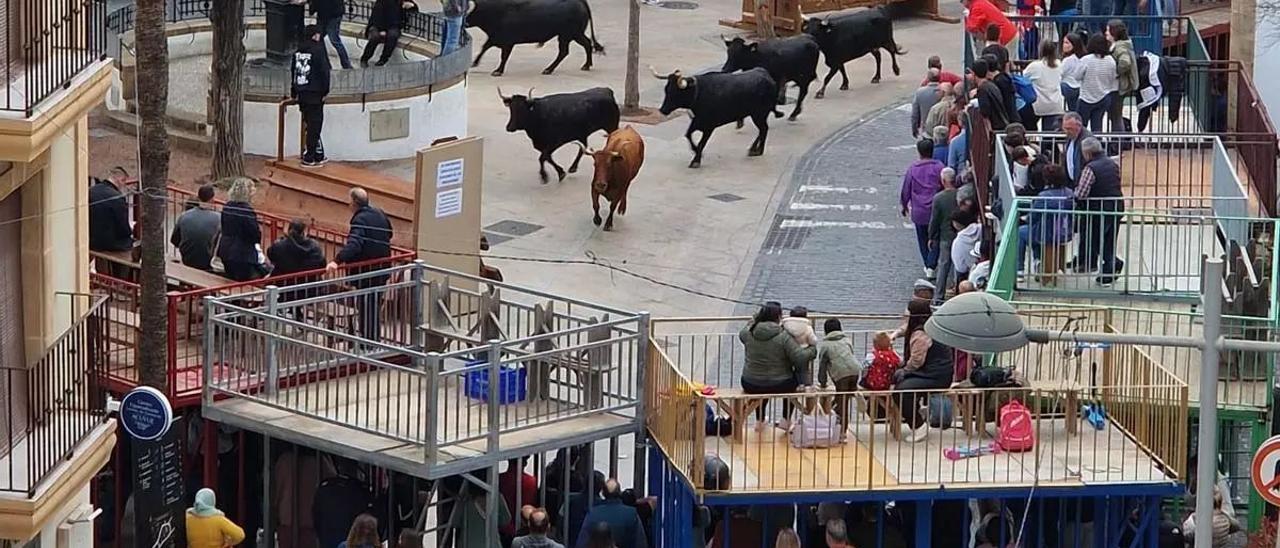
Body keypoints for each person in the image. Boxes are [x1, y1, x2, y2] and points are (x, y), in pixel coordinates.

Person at [328, 187, 394, 342]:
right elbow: (390, 233)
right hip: (382, 269)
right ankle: (372, 339)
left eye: (349, 201)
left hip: (366, 273)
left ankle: (368, 342)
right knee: (373, 306)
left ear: (354, 203)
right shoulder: (379, 213)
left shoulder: (360, 220)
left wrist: (336, 260)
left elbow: (354, 244)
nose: (348, 204)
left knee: (366, 308)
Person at [740, 302, 816, 433]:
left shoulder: (749, 333)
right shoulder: (783, 336)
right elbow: (800, 357)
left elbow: (742, 333)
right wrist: (812, 349)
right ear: (779, 317)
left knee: (761, 389)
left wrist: (756, 318)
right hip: (780, 383)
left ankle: (760, 420)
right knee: (793, 381)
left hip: (750, 382)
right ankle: (786, 419)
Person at [893, 299, 955, 443]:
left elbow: (916, 361)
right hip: (937, 372)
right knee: (902, 381)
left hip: (935, 375)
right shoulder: (930, 325)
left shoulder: (921, 335)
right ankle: (917, 415)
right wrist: (895, 334)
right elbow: (906, 328)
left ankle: (918, 425)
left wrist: (904, 369)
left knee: (902, 390)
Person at [1073, 136, 1125, 285]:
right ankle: (1113, 264)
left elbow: (1081, 193)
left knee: (1097, 241)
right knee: (1109, 240)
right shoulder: (1112, 164)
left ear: (1087, 153)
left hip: (1098, 209)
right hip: (1116, 206)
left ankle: (1110, 269)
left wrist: (1074, 195)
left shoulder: (1090, 168)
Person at [1016, 164, 1075, 285]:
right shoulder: (1070, 193)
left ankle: (1020, 270)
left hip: (1046, 234)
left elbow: (1033, 217)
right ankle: (1038, 260)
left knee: (1021, 232)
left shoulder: (1043, 196)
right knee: (1035, 232)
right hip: (1064, 232)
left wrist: (1027, 218)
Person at [900, 138, 945, 278]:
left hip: (919, 210)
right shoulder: (939, 167)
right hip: (935, 209)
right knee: (936, 236)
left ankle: (928, 264)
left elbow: (906, 188)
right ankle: (932, 262)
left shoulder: (913, 169)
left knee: (922, 238)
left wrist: (904, 204)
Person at [292, 24, 333, 167]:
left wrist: (294, 92)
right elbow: (324, 72)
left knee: (310, 124)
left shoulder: (298, 51)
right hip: (315, 94)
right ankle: (309, 157)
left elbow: (294, 72)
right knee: (315, 126)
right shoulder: (318, 50)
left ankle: (318, 154)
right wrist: (325, 91)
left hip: (302, 93)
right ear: (315, 35)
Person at [816, 318, 861, 441]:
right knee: (843, 400)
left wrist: (822, 383)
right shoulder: (847, 340)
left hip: (841, 376)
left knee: (843, 404)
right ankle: (836, 418)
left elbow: (822, 366)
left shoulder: (825, 345)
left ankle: (842, 433)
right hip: (855, 372)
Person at [217, 177, 266, 281]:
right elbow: (254, 235)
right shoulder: (247, 211)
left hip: (225, 250)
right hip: (243, 254)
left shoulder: (227, 207)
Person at [575, 480, 646, 548]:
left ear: (603, 493)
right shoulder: (631, 514)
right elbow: (640, 543)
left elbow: (582, 542)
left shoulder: (593, 513)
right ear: (619, 492)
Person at [170, 184, 222, 271]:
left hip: (187, 261)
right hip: (208, 264)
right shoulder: (219, 219)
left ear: (198, 198)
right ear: (212, 200)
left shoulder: (184, 216)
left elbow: (174, 240)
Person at [928, 167, 960, 302]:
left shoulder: (939, 198)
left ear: (943, 180)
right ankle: (958, 290)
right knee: (959, 264)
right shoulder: (960, 195)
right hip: (960, 234)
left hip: (945, 235)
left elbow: (935, 219)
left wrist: (931, 236)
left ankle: (938, 296)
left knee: (943, 265)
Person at [1076, 33, 1118, 133]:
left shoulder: (1086, 60)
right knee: (1097, 126)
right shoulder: (1111, 60)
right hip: (1103, 97)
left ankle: (1080, 146)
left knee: (1081, 126)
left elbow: (1077, 76)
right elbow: (1113, 77)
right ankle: (1097, 146)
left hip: (1086, 97)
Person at [89, 167, 135, 257]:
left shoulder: (91, 191)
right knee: (131, 244)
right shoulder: (117, 197)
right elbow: (123, 227)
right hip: (110, 243)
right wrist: (130, 231)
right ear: (121, 180)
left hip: (91, 240)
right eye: (124, 183)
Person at [361, 0, 418, 67]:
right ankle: (364, 59)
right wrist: (382, 30)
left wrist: (411, 5)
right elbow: (376, 16)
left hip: (393, 26)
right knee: (375, 37)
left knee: (392, 36)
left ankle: (383, 59)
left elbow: (414, 8)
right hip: (377, 25)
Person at [1023, 39, 1065, 130]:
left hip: (1038, 104)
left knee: (1030, 126)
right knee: (1049, 135)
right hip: (1055, 104)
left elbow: (1023, 78)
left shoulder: (1034, 66)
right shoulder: (1059, 64)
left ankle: (1032, 140)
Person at [1107, 20, 1139, 133]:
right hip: (1119, 86)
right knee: (1115, 115)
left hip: (1118, 86)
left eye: (1108, 30)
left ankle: (1118, 142)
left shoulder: (1120, 47)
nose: (1106, 33)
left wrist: (1116, 72)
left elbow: (1125, 62)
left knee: (1116, 116)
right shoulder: (1124, 45)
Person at [500, 458, 539, 538]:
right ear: (525, 462)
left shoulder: (498, 479)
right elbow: (527, 506)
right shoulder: (530, 481)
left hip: (499, 526)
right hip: (520, 529)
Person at [310, 0, 352, 69]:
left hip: (332, 14)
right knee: (319, 39)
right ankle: (326, 63)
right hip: (324, 14)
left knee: (334, 39)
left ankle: (346, 64)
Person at [970, 59, 1010, 130]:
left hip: (995, 128)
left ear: (973, 74)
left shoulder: (982, 90)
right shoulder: (992, 85)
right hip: (1003, 124)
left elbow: (985, 114)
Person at [1060, 112, 1094, 185]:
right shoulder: (1071, 137)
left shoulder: (1087, 140)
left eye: (1069, 129)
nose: (1066, 132)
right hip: (1071, 183)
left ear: (1079, 126)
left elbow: (1090, 165)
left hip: (1082, 184)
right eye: (1064, 128)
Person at [951, 208, 982, 281]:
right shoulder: (980, 229)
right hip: (977, 266)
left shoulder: (958, 241)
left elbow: (959, 264)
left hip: (964, 273)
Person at [1060, 32, 1087, 113]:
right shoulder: (1083, 58)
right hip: (1080, 87)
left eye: (1067, 43)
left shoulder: (1067, 60)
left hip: (1068, 87)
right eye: (1064, 42)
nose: (1064, 45)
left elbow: (1060, 73)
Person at [911, 69, 942, 138]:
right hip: (942, 131)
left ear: (928, 78)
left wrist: (914, 129)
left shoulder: (920, 92)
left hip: (926, 131)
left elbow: (915, 114)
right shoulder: (944, 90)